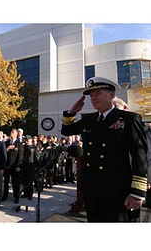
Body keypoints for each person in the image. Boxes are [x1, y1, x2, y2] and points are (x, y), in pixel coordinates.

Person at [61, 76, 148, 222]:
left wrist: (137, 192)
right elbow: (67, 130)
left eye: (98, 93)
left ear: (112, 95)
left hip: (117, 189)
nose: (94, 98)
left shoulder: (129, 119)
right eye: (92, 95)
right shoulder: (89, 120)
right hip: (91, 188)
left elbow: (139, 156)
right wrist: (72, 111)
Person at [2, 128, 24, 203]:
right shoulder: (6, 143)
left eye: (13, 132)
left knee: (15, 182)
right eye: (11, 132)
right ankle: (5, 195)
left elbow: (20, 156)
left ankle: (16, 196)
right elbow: (3, 153)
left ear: (16, 134)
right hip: (7, 165)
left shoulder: (19, 144)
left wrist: (18, 166)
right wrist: (8, 148)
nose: (11, 134)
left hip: (15, 166)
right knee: (6, 182)